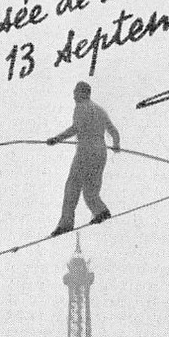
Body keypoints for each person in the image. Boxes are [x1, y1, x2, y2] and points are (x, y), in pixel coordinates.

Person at [47, 82, 121, 236]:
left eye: (75, 92)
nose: (73, 96)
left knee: (72, 187)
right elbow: (114, 131)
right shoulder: (100, 110)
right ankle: (100, 211)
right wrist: (116, 145)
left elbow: (76, 128)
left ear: (82, 93)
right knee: (91, 189)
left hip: (86, 151)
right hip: (101, 152)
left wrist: (56, 139)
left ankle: (66, 223)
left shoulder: (81, 107)